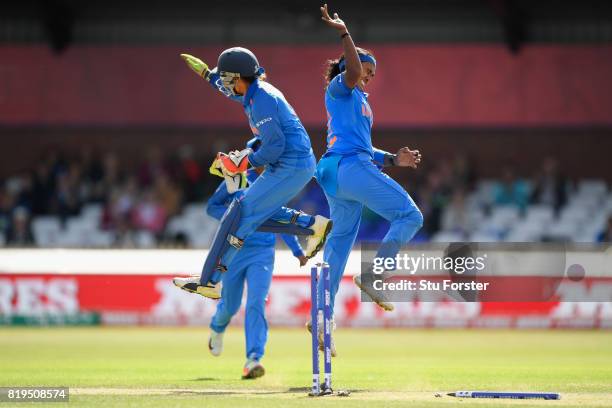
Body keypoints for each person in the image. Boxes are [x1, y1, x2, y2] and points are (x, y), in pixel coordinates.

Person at [173, 47, 331, 299]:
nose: (225, 84)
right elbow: (227, 90)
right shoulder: (252, 92)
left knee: (239, 212)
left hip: (291, 165)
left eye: (227, 79)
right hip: (290, 164)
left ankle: (210, 281)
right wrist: (207, 75)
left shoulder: (262, 102)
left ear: (238, 78)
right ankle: (311, 226)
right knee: (243, 218)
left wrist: (242, 163)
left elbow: (275, 146)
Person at [313, 4, 424, 352]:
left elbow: (363, 146)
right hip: (348, 168)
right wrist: (344, 32)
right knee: (410, 216)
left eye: (373, 73)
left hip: (337, 172)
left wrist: (393, 159)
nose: (369, 76)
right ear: (349, 68)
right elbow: (353, 70)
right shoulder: (339, 88)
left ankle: (321, 314)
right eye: (366, 70)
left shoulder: (358, 100)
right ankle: (374, 276)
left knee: (341, 242)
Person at [206, 142, 307, 379]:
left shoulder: (277, 181)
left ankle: (253, 359)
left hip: (262, 252)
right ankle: (217, 328)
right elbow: (212, 208)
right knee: (229, 306)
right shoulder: (236, 178)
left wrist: (297, 250)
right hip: (233, 250)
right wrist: (237, 216)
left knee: (256, 303)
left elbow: (281, 218)